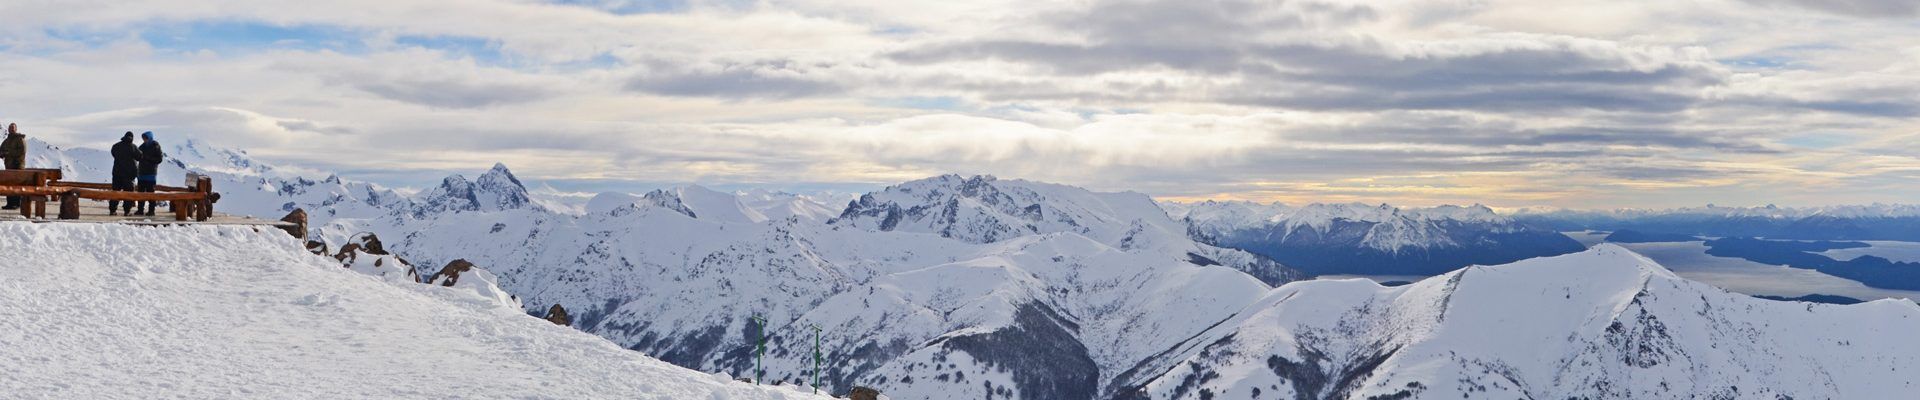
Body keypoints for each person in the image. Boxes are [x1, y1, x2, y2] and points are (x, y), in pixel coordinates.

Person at [135, 131, 165, 216]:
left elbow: (159, 159)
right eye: (143, 138)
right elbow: (138, 157)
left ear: (150, 138)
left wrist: (147, 158)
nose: (144, 140)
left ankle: (151, 211)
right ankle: (140, 210)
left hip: (151, 174)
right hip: (141, 173)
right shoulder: (142, 146)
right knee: (140, 194)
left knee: (151, 194)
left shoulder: (156, 146)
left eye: (146, 138)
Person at [109, 132, 139, 216]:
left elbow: (113, 153)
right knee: (128, 193)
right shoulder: (133, 147)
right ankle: (127, 211)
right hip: (129, 174)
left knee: (115, 192)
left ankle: (112, 210)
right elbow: (139, 156)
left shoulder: (116, 146)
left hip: (117, 173)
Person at [1, 123, 25, 210]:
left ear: (16, 129)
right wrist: (2, 154)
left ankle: (16, 204)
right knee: (9, 185)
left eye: (13, 128)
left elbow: (22, 151)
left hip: (17, 166)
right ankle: (10, 204)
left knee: (16, 186)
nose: (11, 129)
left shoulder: (20, 139)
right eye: (10, 128)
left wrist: (8, 153)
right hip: (9, 166)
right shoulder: (7, 140)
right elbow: (2, 149)